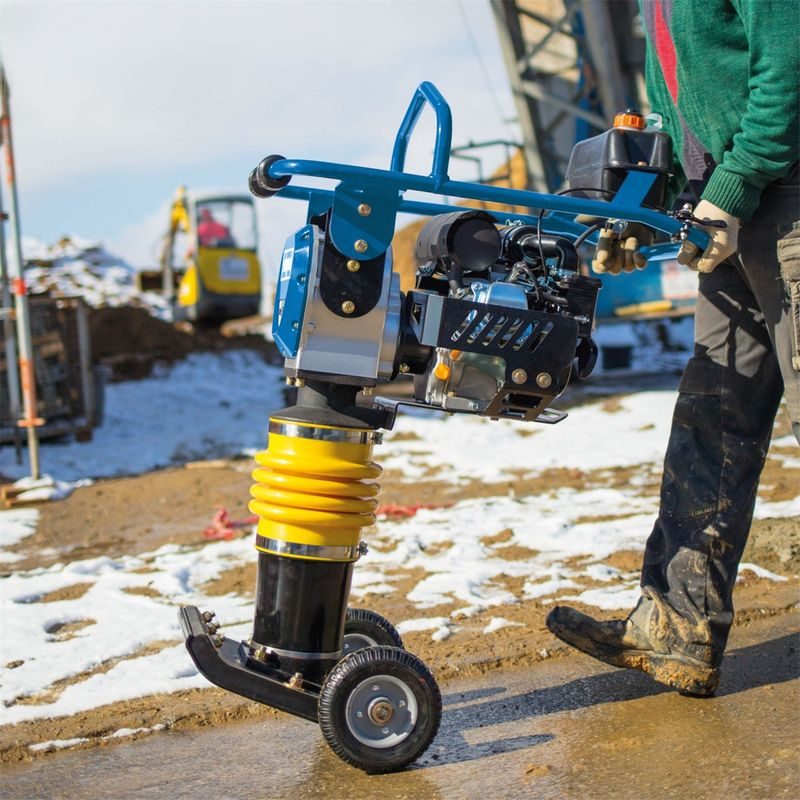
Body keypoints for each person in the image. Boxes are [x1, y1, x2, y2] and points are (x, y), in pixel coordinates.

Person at [546, 0, 799, 697]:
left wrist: (737, 183)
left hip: (785, 193)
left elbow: (789, 66)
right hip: (731, 202)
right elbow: (675, 104)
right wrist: (643, 207)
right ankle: (678, 626)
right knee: (711, 416)